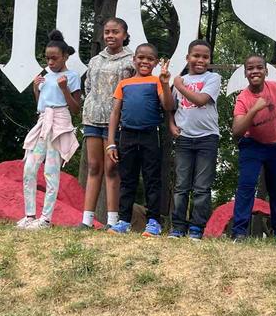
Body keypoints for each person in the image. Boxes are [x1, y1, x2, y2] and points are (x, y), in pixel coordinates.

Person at [107, 44, 174, 236]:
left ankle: (154, 222)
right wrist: (111, 142)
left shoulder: (157, 81)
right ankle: (124, 221)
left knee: (152, 179)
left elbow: (168, 105)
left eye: (150, 59)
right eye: (141, 58)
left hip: (150, 135)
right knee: (127, 180)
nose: (145, 61)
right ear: (134, 59)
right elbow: (115, 113)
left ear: (155, 63)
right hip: (126, 136)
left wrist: (165, 83)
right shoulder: (124, 83)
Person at [17, 30, 81, 230]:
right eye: (47, 58)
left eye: (54, 58)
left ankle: (45, 219)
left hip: (59, 124)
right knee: (29, 169)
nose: (50, 62)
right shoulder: (44, 75)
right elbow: (41, 105)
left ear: (65, 57)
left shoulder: (72, 76)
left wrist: (64, 89)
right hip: (43, 122)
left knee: (51, 173)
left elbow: (75, 108)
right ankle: (29, 215)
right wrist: (35, 90)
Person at [78, 17, 135, 230]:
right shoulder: (95, 60)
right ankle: (87, 219)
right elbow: (88, 87)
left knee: (112, 168)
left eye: (116, 32)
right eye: (107, 32)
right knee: (94, 166)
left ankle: (112, 220)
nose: (111, 36)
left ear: (125, 35)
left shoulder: (131, 60)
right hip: (93, 117)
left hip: (117, 121)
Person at [231, 54, 276, 242]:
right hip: (252, 145)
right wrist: (254, 109)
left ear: (266, 71)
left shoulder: (274, 88)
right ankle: (239, 232)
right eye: (250, 68)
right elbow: (237, 131)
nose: (255, 71)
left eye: (259, 67)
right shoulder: (243, 98)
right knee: (246, 186)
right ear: (245, 73)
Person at [168, 40, 221, 241]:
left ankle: (197, 228)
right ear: (188, 57)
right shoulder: (179, 81)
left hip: (207, 138)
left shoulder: (213, 77)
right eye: (196, 56)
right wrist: (171, 125)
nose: (200, 60)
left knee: (202, 187)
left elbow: (201, 100)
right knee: (181, 185)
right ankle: (177, 227)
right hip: (184, 138)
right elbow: (170, 108)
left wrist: (180, 85)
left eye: (205, 57)